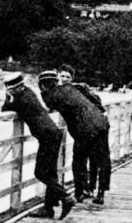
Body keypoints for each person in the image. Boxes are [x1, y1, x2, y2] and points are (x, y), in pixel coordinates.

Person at [1, 72, 76, 220]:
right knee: (51, 173)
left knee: (41, 173)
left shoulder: (21, 100)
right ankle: (48, 208)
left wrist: (7, 98)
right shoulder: (29, 93)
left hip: (47, 137)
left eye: (11, 89)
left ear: (15, 88)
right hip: (53, 134)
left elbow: (4, 111)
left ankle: (65, 197)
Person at [40, 70, 112, 206]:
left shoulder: (51, 95)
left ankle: (79, 193)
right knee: (102, 160)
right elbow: (95, 99)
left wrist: (43, 93)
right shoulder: (73, 87)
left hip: (83, 130)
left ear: (43, 85)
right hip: (101, 124)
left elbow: (48, 106)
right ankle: (100, 193)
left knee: (78, 161)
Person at [57, 64, 109, 201]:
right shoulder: (62, 91)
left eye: (67, 77)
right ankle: (82, 190)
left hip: (91, 129)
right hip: (83, 130)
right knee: (79, 161)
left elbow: (97, 102)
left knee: (96, 160)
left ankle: (97, 192)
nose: (64, 79)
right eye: (62, 76)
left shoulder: (79, 89)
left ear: (72, 78)